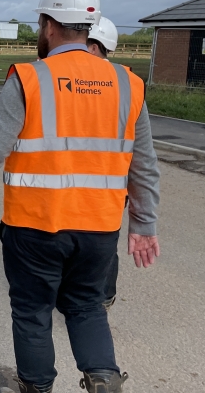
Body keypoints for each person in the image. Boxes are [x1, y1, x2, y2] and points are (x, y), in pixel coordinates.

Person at [0, 0, 160, 393]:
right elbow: (144, 165)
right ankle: (105, 380)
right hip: (98, 228)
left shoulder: (28, 77)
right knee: (87, 307)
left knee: (33, 312)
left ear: (49, 25)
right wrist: (144, 225)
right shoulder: (128, 83)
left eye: (41, 24)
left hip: (33, 225)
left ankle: (37, 388)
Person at [88, 17, 121, 311]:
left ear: (95, 46)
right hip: (114, 181)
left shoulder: (89, 85)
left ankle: (101, 296)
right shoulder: (124, 83)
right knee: (103, 241)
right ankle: (101, 296)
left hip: (100, 179)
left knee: (100, 245)